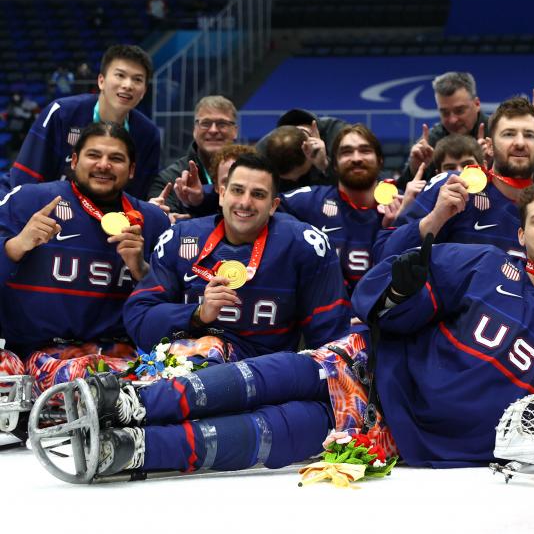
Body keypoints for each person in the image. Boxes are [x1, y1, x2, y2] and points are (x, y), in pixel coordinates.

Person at [38, 183, 534, 481]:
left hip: (398, 438)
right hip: (370, 368)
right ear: (521, 233)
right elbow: (381, 305)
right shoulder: (485, 264)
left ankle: (127, 450)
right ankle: (127, 401)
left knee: (260, 438)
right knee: (258, 379)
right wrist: (401, 288)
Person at [0, 122, 169, 434]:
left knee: (182, 368)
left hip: (115, 353)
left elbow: (170, 308)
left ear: (132, 170)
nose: (104, 165)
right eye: (94, 155)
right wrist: (15, 246)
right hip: (38, 353)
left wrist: (141, 271)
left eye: (116, 159)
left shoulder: (153, 221)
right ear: (74, 161)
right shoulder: (28, 201)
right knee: (83, 377)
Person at [124, 153, 350, 363]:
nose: (245, 202)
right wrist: (198, 314)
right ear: (222, 195)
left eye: (258, 194)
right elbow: (139, 321)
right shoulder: (179, 238)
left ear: (273, 206)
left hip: (268, 380)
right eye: (237, 191)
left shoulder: (306, 245)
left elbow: (330, 343)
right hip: (189, 371)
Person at [375, 96, 534, 260]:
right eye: (509, 134)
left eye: (529, 135)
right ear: (489, 147)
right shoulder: (452, 185)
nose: (520, 143)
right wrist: (436, 218)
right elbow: (384, 253)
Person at [7, 45, 160, 199]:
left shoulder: (148, 134)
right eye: (120, 75)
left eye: (137, 79)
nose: (128, 85)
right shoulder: (62, 113)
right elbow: (24, 181)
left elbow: (140, 196)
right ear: (101, 81)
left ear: (144, 91)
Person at [279, 125, 402, 289]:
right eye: (346, 152)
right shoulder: (309, 202)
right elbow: (261, 209)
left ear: (380, 160)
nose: (356, 158)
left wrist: (400, 225)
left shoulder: (403, 205)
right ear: (334, 164)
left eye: (365, 150)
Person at [148, 96, 239, 214]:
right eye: (205, 123)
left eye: (222, 124)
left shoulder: (252, 173)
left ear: (235, 131)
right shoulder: (169, 179)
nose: (213, 130)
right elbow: (165, 223)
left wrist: (192, 218)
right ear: (194, 129)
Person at [400, 72, 491, 187]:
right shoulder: (430, 143)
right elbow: (401, 192)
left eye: (460, 110)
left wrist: (494, 163)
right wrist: (415, 169)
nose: (452, 120)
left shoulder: (497, 132)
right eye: (445, 113)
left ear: (477, 104)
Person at [255, 108, 348, 191]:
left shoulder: (340, 136)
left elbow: (353, 187)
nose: (295, 181)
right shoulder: (259, 155)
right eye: (286, 180)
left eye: (300, 174)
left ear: (307, 151)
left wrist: (325, 166)